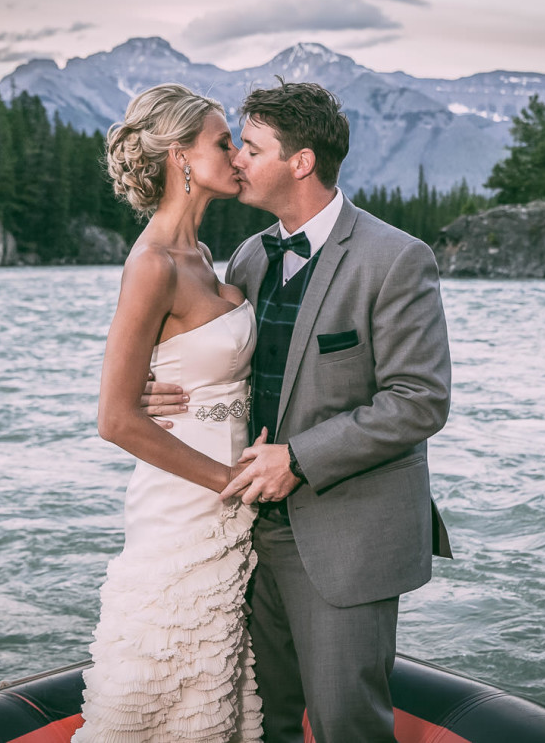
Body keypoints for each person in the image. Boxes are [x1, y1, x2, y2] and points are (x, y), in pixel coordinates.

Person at [145, 81, 453, 743]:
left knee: (346, 724)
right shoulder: (251, 257)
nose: (237, 163)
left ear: (301, 162)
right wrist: (157, 386)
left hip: (347, 534)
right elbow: (220, 363)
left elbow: (419, 399)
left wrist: (301, 458)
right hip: (243, 534)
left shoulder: (396, 259)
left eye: (250, 148)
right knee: (265, 722)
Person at [74, 83, 263, 742]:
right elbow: (116, 418)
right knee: (159, 677)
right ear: (180, 157)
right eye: (222, 142)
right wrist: (229, 483)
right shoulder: (151, 265)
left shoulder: (207, 258)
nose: (237, 155)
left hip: (231, 504)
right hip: (185, 506)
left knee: (211, 692)